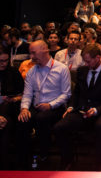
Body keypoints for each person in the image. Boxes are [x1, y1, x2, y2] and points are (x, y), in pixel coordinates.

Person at [54, 44, 101, 170]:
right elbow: (77, 93)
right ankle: (67, 161)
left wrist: (96, 110)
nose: (86, 63)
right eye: (84, 61)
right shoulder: (82, 71)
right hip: (82, 109)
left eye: (88, 61)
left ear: (98, 57)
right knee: (60, 127)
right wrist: (71, 107)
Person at [16, 40, 71, 168]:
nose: (31, 56)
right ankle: (23, 160)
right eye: (30, 53)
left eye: (33, 53)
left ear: (45, 50)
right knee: (23, 119)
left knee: (42, 118)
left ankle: (44, 154)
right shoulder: (31, 71)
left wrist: (50, 105)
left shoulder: (61, 69)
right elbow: (27, 94)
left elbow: (66, 94)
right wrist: (24, 109)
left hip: (56, 107)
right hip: (37, 106)